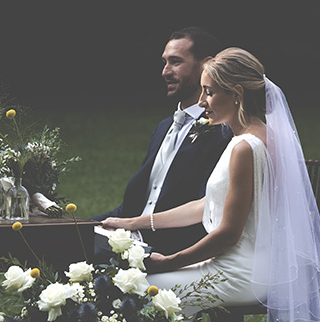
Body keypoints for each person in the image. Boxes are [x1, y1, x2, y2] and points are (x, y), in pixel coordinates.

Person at [102, 47, 320, 322]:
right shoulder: (256, 137)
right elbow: (207, 205)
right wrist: (138, 220)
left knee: (144, 293)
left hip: (242, 270)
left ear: (235, 93)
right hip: (249, 263)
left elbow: (228, 233)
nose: (201, 102)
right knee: (149, 293)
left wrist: (170, 262)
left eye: (208, 92)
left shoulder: (243, 148)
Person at [95, 28, 232, 259]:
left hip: (172, 250)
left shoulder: (223, 131)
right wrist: (79, 225)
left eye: (176, 62)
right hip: (133, 236)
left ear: (206, 65)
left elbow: (209, 211)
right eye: (164, 62)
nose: (165, 72)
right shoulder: (164, 127)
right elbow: (138, 203)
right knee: (66, 242)